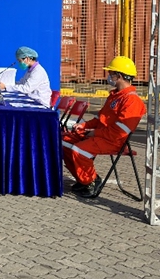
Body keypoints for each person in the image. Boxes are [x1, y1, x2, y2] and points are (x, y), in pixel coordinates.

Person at [63, 56, 147, 197]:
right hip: (102, 135)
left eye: (111, 73)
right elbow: (99, 119)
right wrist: (83, 126)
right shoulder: (115, 96)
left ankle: (91, 181)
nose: (108, 76)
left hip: (113, 141)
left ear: (119, 76)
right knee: (64, 142)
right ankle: (82, 179)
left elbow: (119, 133)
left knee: (78, 150)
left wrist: (94, 133)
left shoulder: (132, 101)